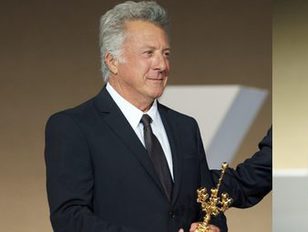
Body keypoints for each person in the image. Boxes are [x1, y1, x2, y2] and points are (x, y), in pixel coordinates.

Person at [44, 1, 228, 231]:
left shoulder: (185, 128)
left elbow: (208, 204)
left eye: (166, 53)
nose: (162, 65)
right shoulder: (73, 127)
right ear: (112, 61)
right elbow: (70, 219)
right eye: (148, 53)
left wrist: (214, 227)